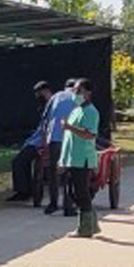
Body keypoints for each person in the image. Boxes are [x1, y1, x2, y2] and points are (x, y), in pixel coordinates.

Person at [60, 77, 103, 237]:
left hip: (82, 158)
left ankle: (85, 228)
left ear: (88, 93)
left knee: (81, 193)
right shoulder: (76, 110)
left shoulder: (91, 112)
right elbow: (68, 138)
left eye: (79, 91)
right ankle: (92, 224)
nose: (75, 94)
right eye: (74, 91)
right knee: (72, 191)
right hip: (72, 157)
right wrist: (63, 159)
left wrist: (70, 127)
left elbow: (90, 134)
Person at [8, 80, 56, 203]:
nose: (38, 98)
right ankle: (26, 189)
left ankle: (24, 192)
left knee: (18, 162)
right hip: (37, 140)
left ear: (46, 91)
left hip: (44, 142)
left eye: (39, 94)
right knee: (22, 160)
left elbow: (47, 128)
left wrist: (43, 144)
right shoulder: (47, 106)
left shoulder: (54, 105)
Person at [40, 79, 80, 215]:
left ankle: (53, 203)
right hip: (71, 139)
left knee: (53, 173)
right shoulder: (78, 98)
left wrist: (44, 142)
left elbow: (45, 119)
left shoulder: (56, 96)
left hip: (55, 139)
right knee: (69, 173)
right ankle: (68, 206)